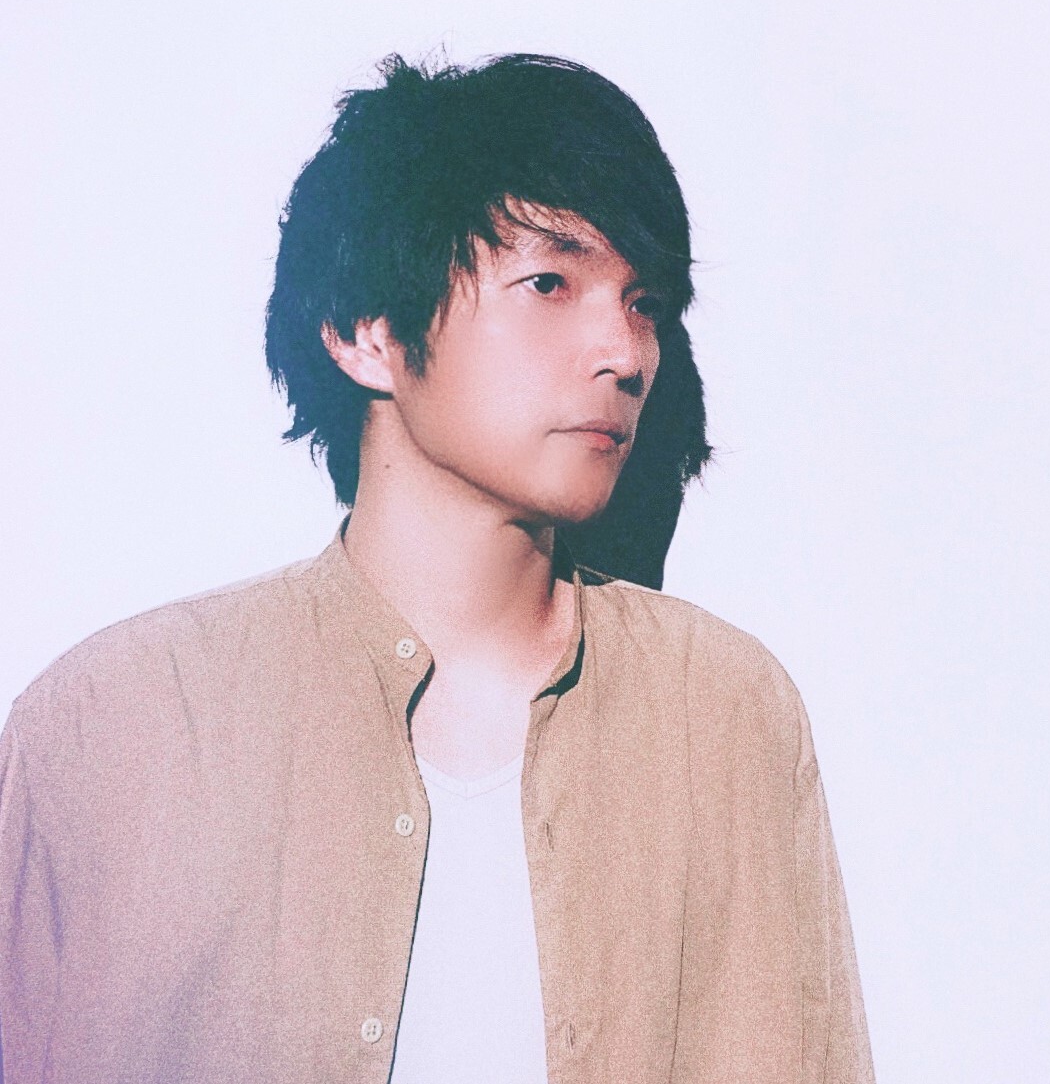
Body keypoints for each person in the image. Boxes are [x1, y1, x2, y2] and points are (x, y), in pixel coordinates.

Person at [0, 52, 874, 1083]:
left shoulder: (723, 712)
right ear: (366, 330)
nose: (625, 352)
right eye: (548, 283)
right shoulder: (116, 726)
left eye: (642, 301)